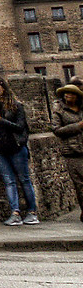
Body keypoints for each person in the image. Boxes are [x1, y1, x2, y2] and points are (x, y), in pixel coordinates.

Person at [0, 74, 38, 226]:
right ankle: (15, 213)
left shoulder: (16, 105)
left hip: (16, 147)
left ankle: (32, 212)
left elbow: (21, 127)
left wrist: (1, 120)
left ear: (3, 86)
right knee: (9, 181)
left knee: (24, 179)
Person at [51, 83, 83, 224]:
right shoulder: (60, 112)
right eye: (66, 94)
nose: (68, 96)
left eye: (71, 93)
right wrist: (78, 126)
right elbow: (57, 130)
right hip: (72, 152)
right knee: (80, 185)